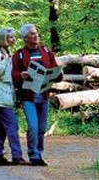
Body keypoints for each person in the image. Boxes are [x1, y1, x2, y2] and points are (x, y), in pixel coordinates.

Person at [12, 24, 62, 166]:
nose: (36, 36)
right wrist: (21, 75)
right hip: (29, 97)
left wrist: (58, 75)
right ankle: (33, 155)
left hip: (44, 95)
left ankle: (39, 153)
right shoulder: (19, 55)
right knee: (33, 127)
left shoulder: (46, 51)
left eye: (37, 33)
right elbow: (13, 74)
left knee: (41, 128)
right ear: (25, 38)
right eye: (33, 34)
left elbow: (54, 68)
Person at [0, 28, 28, 166]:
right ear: (3, 38)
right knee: (12, 125)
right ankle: (17, 156)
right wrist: (5, 61)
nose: (13, 39)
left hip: (6, 91)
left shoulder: (7, 53)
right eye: (10, 37)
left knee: (0, 127)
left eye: (13, 37)